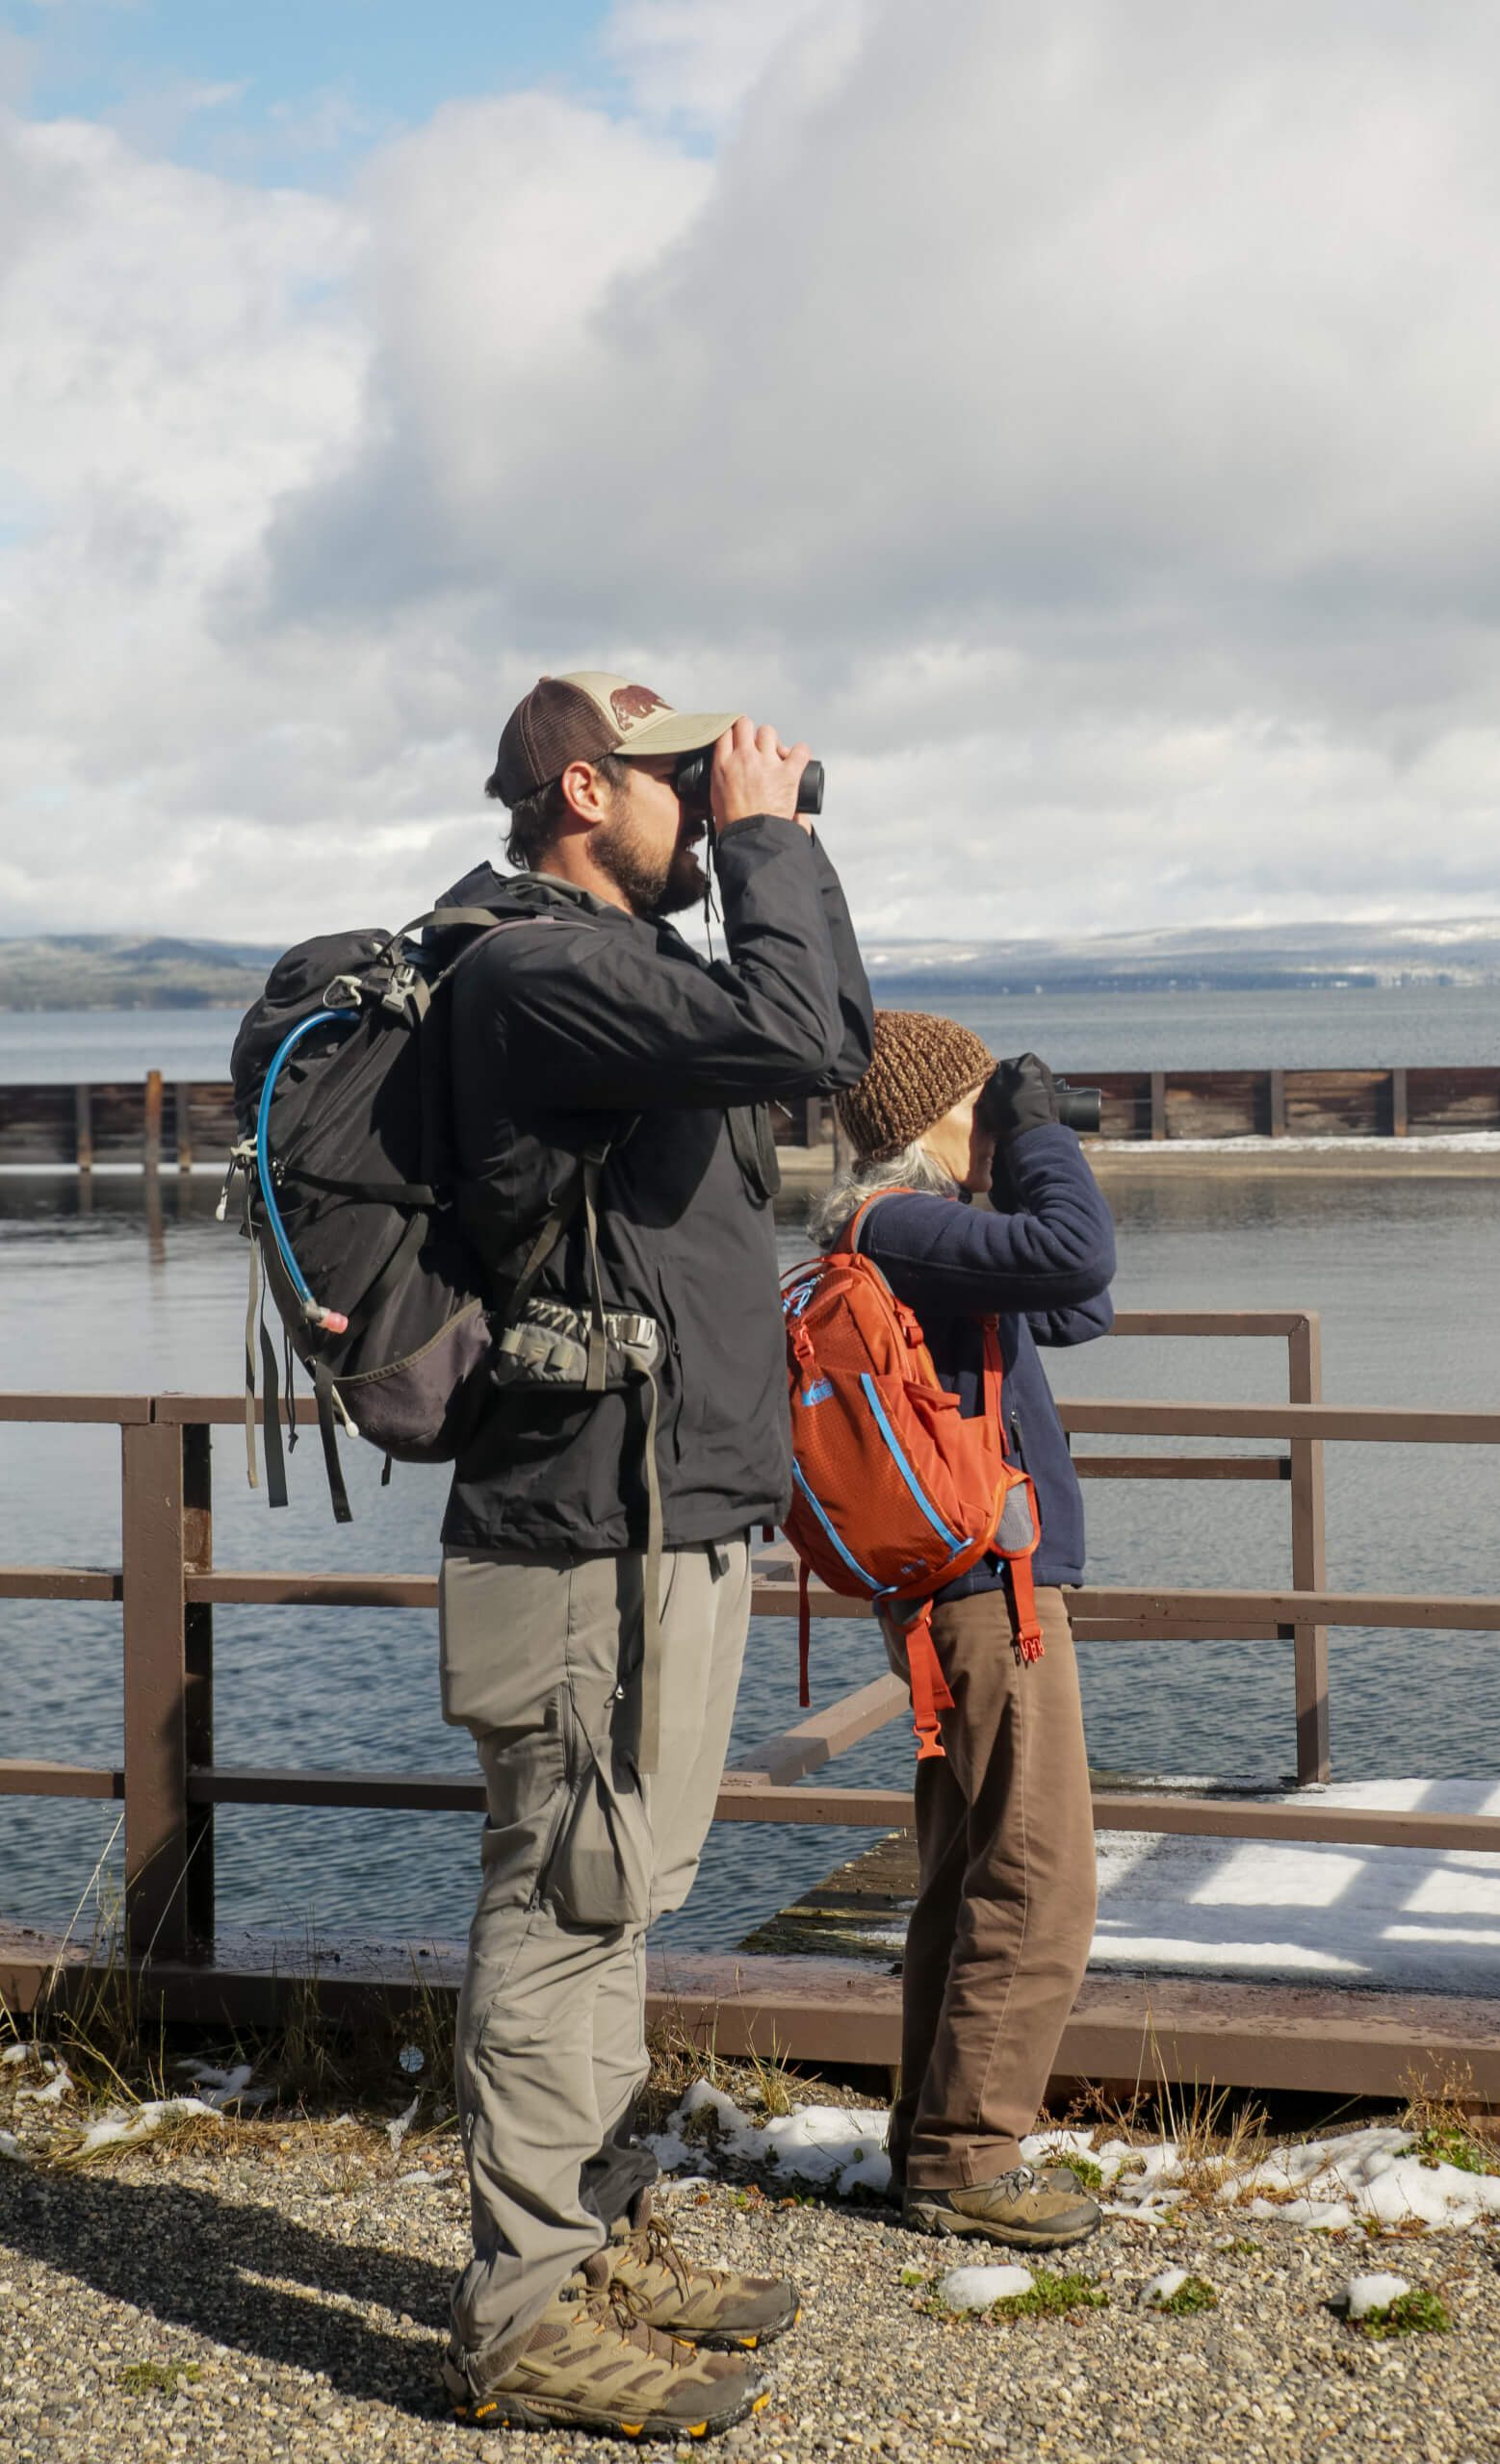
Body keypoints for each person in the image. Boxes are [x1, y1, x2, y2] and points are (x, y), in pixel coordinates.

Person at [433, 673, 872, 2440]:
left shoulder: (632, 975)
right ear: (583, 787)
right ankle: (521, 2311)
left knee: (624, 1896)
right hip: (580, 1533)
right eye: (681, 781)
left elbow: (816, 1035)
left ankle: (588, 2236)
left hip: (665, 1512)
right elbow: (805, 1043)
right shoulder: (534, 968)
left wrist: (768, 847)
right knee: (558, 1902)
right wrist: (764, 837)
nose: (709, 801)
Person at [819, 1013, 1115, 2248]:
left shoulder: (929, 1243)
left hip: (979, 1600)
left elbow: (1079, 1295)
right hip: (991, 1602)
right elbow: (1073, 1245)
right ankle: (965, 2157)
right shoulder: (896, 1225)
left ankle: (933, 2140)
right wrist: (1042, 1137)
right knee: (1039, 1876)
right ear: (931, 1116)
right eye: (984, 1101)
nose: (1000, 1119)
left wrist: (1027, 1152)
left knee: (969, 1872)